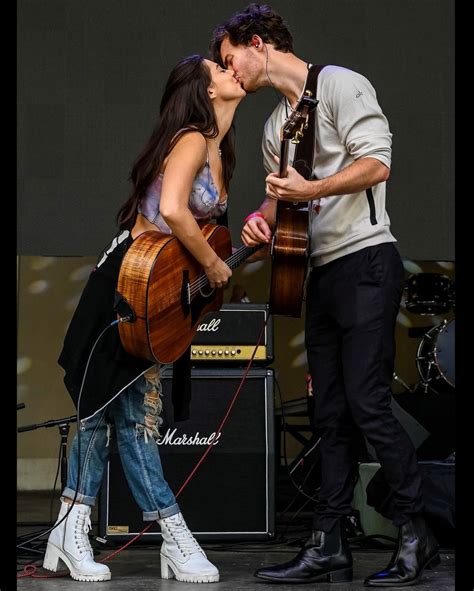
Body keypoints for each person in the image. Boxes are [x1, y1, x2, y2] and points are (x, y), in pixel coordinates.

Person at [211, 4, 439, 587]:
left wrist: (311, 187)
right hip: (321, 274)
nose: (227, 70)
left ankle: (418, 532)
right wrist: (263, 219)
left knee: (366, 402)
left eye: (228, 57)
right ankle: (328, 542)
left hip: (366, 260)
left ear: (256, 42)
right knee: (328, 412)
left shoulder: (340, 84)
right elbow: (284, 202)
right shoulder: (272, 129)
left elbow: (376, 165)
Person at [42, 54, 246, 583]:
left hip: (159, 293)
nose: (231, 72)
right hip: (126, 285)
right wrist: (212, 262)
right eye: (219, 69)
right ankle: (169, 537)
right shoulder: (192, 137)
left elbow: (203, 233)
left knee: (115, 416)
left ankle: (74, 525)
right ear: (203, 90)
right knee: (118, 416)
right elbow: (176, 211)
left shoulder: (223, 149)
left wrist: (251, 236)